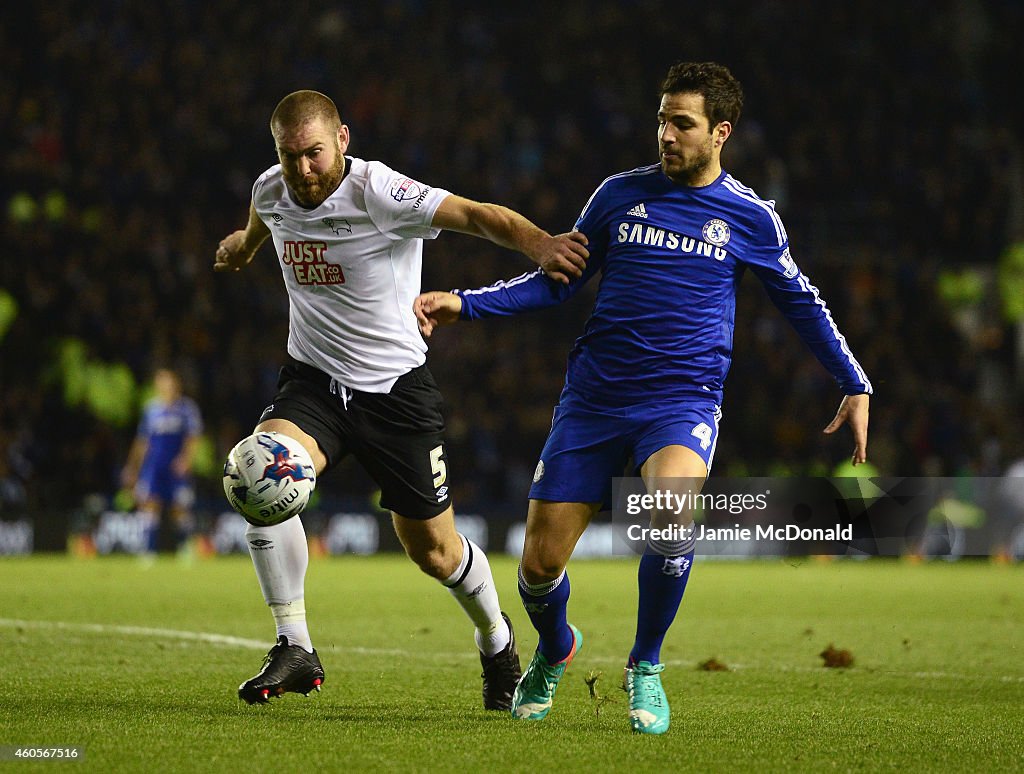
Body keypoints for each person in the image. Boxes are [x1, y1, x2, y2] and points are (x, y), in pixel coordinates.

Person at [414, 61, 872, 734]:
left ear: (721, 132)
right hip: (594, 399)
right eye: (661, 119)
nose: (665, 134)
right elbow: (558, 279)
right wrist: (466, 304)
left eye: (681, 124)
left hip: (681, 402)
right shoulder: (616, 196)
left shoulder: (749, 216)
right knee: (538, 567)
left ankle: (646, 664)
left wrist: (855, 381)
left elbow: (802, 303)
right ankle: (556, 647)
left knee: (669, 518)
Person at [213, 90, 589, 709]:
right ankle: (294, 643)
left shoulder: (378, 192)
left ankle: (497, 640)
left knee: (435, 553)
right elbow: (262, 226)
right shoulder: (270, 189)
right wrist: (241, 248)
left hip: (395, 395)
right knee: (257, 476)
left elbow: (475, 215)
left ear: (343, 141)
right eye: (289, 158)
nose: (303, 171)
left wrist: (541, 245)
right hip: (312, 383)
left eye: (313, 154)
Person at [120, 368, 203, 557]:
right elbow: (143, 441)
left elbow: (193, 437)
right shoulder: (151, 409)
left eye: (168, 381)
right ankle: (148, 552)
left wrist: (185, 459)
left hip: (176, 467)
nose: (166, 386)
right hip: (154, 466)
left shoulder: (187, 409)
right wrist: (133, 467)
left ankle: (185, 549)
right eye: (161, 382)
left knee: (180, 508)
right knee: (150, 505)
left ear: (176, 384)